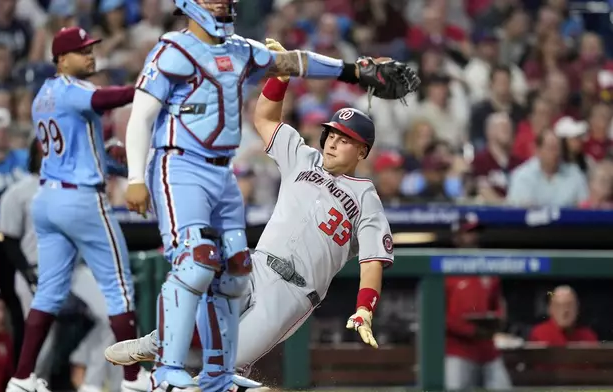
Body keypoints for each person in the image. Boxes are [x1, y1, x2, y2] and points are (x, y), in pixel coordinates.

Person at [120, 1, 417, 390]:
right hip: (258, 266)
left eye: (346, 141)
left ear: (362, 152)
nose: (333, 143)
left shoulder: (367, 199)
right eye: (332, 135)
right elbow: (265, 119)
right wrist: (280, 76)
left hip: (293, 295)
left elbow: (373, 260)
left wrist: (364, 307)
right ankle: (157, 343)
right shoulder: (302, 156)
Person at [6, 26, 147, 392]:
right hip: (81, 198)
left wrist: (107, 157)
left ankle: (22, 378)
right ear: (60, 59)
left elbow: (80, 139)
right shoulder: (72, 88)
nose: (90, 55)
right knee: (119, 289)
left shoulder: (43, 95)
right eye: (81, 50)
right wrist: (146, 89)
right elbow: (106, 99)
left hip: (48, 198)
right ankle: (133, 379)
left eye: (91, 48)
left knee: (48, 294)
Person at [445, 215, 512, 391]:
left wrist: (497, 320)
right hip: (457, 349)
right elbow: (438, 315)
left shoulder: (488, 267)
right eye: (468, 232)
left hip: (487, 349)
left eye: (476, 232)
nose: (474, 237)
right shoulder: (444, 267)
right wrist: (472, 330)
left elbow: (498, 305)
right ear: (456, 237)